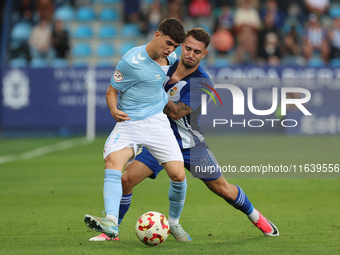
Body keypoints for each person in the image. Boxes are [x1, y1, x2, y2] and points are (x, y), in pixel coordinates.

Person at [89, 27, 279, 242]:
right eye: (187, 48)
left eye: (197, 52)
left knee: (223, 189)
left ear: (204, 54)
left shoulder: (203, 82)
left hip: (190, 144)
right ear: (181, 47)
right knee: (127, 180)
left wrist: (153, 92)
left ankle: (257, 218)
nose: (190, 54)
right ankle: (112, 231)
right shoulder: (164, 62)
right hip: (156, 136)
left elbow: (178, 112)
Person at [83, 18, 187, 239]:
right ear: (157, 34)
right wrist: (113, 110)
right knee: (113, 164)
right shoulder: (130, 61)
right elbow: (111, 91)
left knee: (178, 175)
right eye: (168, 43)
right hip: (129, 122)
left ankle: (175, 223)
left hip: (157, 122)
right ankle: (111, 223)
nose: (170, 49)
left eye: (175, 46)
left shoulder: (172, 57)